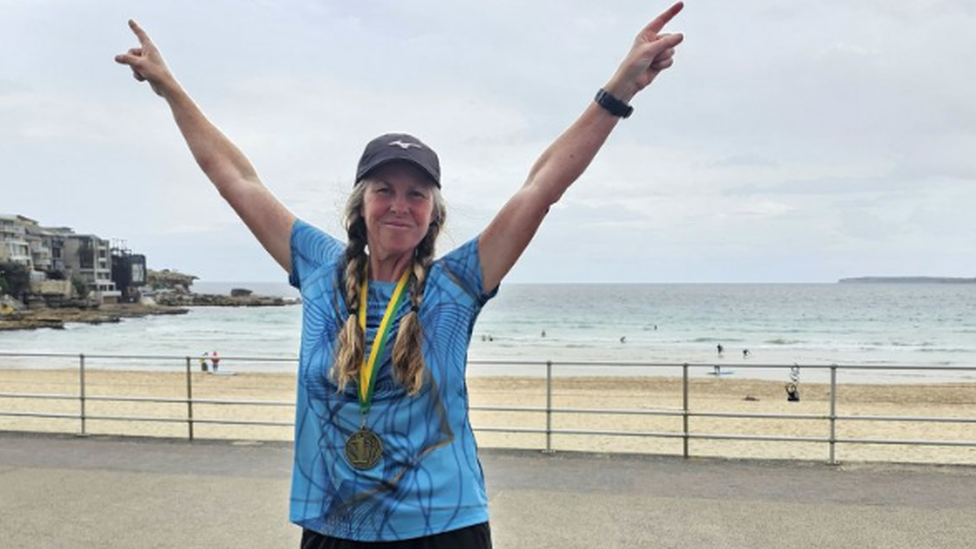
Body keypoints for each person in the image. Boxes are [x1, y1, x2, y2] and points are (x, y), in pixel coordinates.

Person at [115, 3, 684, 546]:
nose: (398, 205)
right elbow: (237, 180)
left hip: (445, 527)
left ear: (433, 212)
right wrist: (170, 89)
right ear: (361, 204)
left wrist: (620, 90)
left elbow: (542, 186)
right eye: (384, 190)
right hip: (334, 525)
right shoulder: (319, 268)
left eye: (416, 194)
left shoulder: (458, 283)